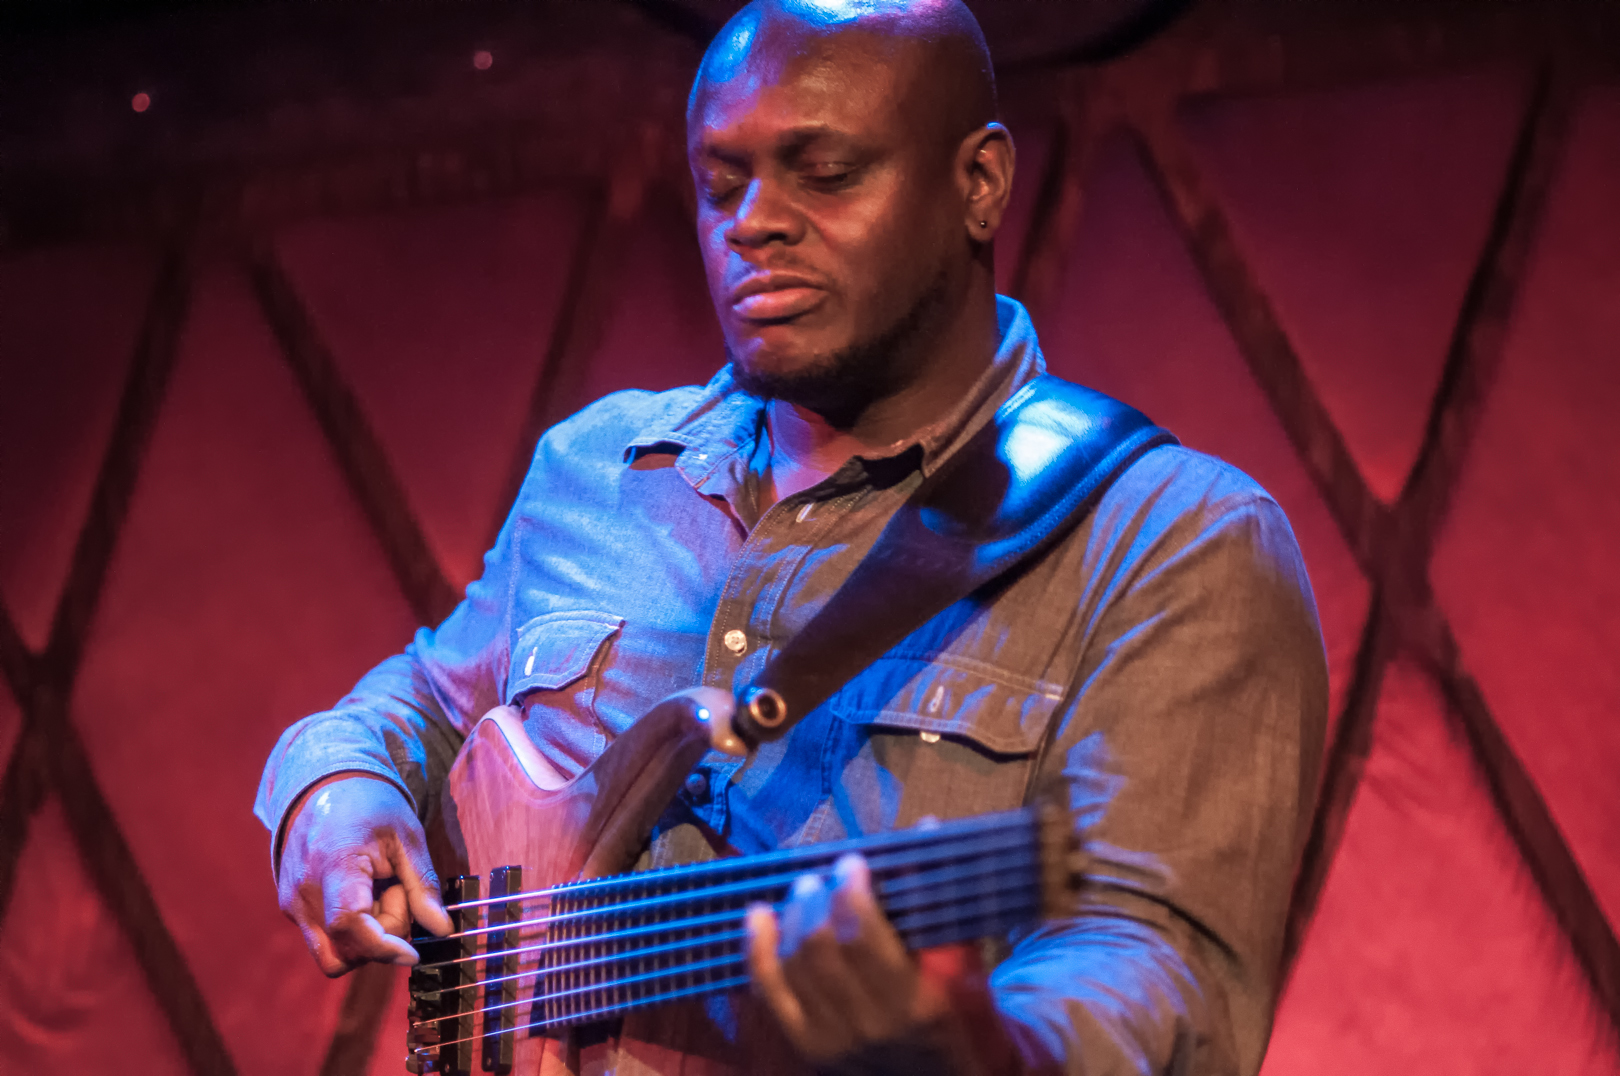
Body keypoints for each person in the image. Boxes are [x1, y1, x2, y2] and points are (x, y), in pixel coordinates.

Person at [255, 1, 1328, 1073]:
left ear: (980, 185)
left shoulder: (1177, 544)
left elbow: (1152, 967)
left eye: (825, 172)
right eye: (722, 183)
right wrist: (337, 784)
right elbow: (432, 702)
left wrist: (965, 1046)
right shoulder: (597, 471)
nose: (753, 222)